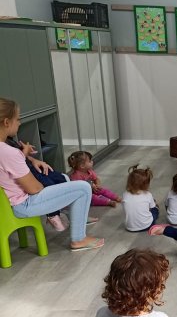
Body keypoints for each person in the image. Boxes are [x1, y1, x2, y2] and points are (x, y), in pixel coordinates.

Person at [0, 97, 103, 251]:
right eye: (18, 119)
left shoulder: (6, 151)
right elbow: (34, 188)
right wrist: (45, 184)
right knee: (83, 188)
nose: (19, 123)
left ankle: (69, 218)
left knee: (65, 181)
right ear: (7, 122)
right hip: (23, 204)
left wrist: (29, 159)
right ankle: (78, 239)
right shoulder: (8, 152)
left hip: (9, 203)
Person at [6, 136, 70, 231]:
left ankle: (64, 209)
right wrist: (24, 153)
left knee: (62, 178)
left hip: (30, 168)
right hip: (25, 178)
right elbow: (14, 162)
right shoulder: (3, 148)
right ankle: (53, 216)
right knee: (49, 186)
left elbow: (17, 156)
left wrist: (30, 157)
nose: (18, 126)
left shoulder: (8, 140)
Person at [122, 164, 158, 232]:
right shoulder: (148, 194)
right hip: (147, 226)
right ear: (146, 184)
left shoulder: (125, 194)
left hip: (129, 227)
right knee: (155, 209)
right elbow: (152, 207)